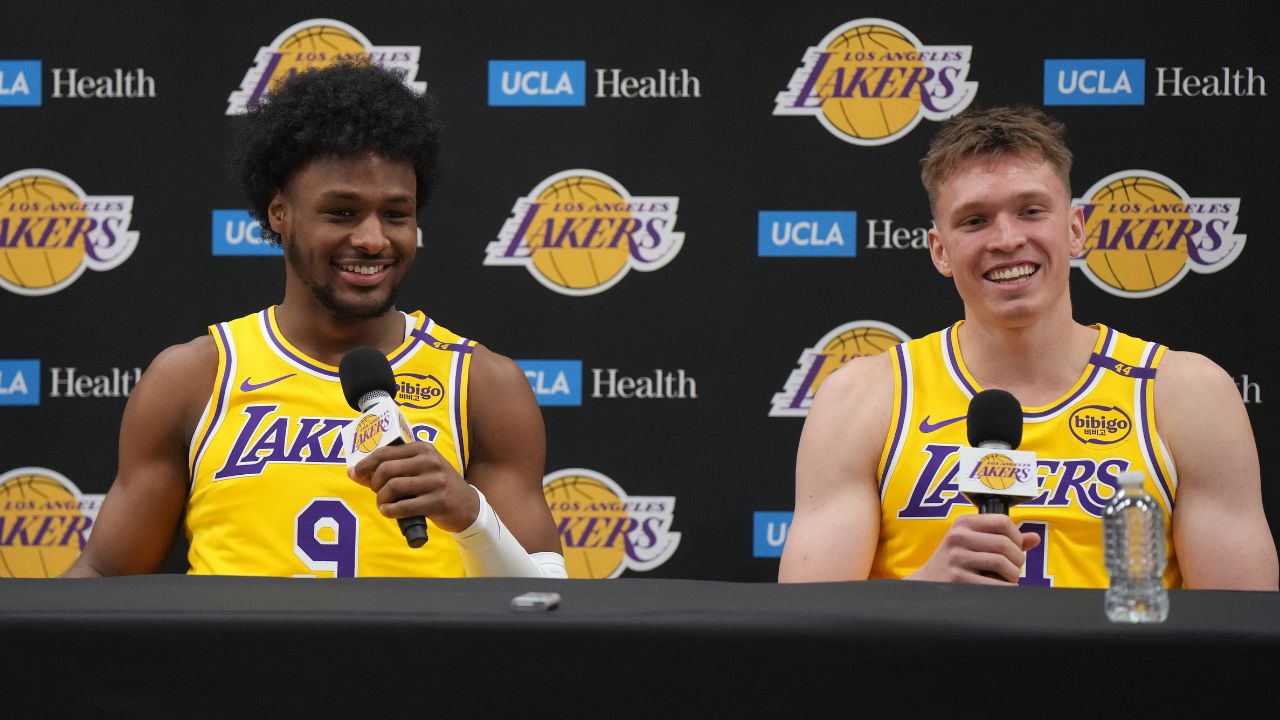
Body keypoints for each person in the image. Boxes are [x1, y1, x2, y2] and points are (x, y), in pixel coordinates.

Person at [66, 61, 565, 578]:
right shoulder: (194, 378)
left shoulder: (482, 384)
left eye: (396, 214)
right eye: (342, 213)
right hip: (232, 663)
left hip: (415, 663)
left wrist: (472, 517)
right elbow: (103, 578)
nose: (373, 239)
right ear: (279, 213)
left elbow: (546, 608)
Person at [779, 106, 1277, 589]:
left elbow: (1240, 637)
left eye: (1031, 210)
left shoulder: (1183, 393)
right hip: (930, 675)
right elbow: (804, 637)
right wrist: (922, 592)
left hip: (1122, 678)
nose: (1007, 238)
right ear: (939, 251)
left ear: (1076, 228)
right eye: (974, 221)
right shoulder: (863, 396)